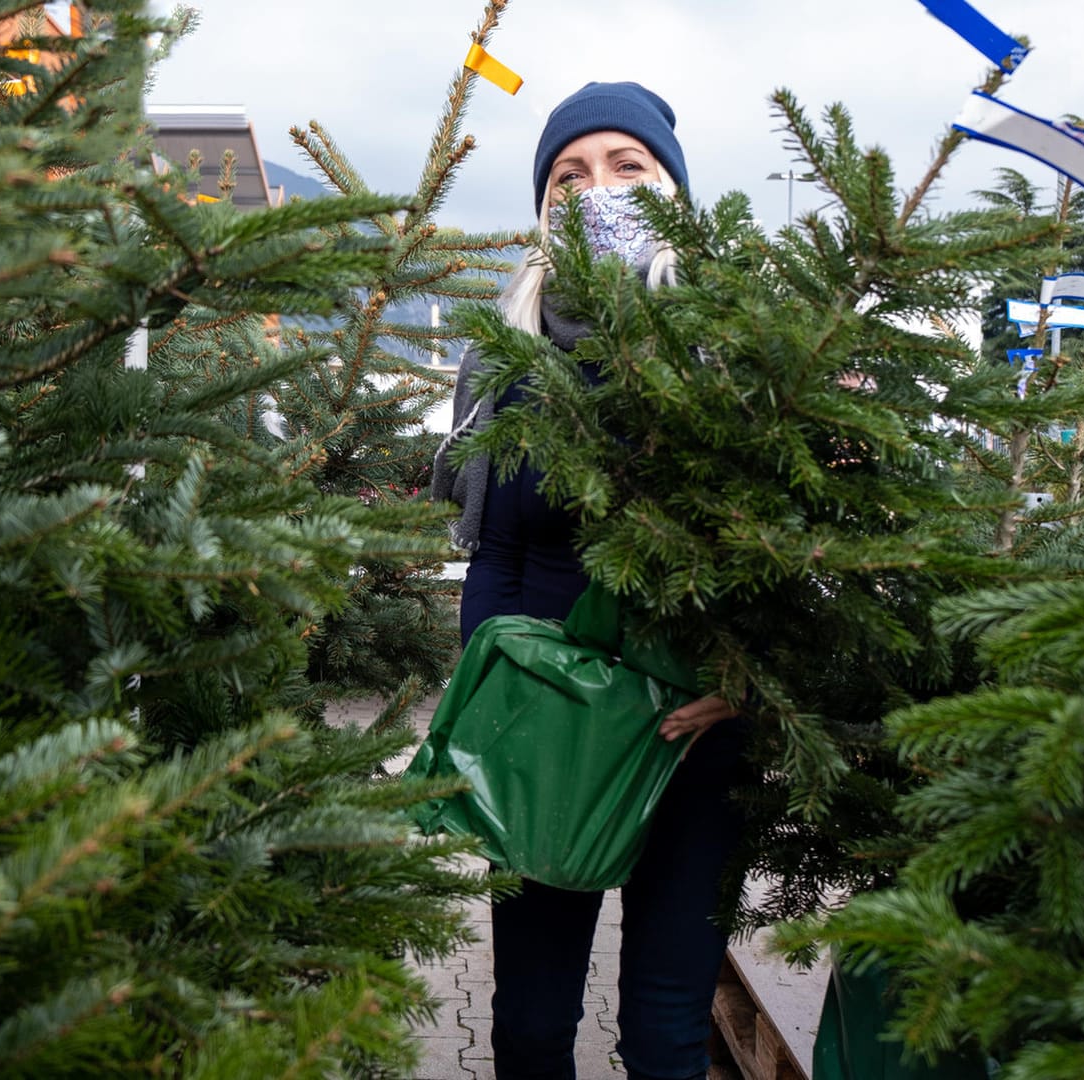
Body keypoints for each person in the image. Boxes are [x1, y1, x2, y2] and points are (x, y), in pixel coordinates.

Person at [430, 81, 749, 1080]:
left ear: (672, 191)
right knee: (528, 1020)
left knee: (664, 1020)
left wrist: (746, 675)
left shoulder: (724, 337)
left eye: (625, 167)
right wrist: (495, 697)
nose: (594, 188)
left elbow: (780, 544)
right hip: (550, 733)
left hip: (690, 731)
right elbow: (495, 551)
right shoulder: (507, 351)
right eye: (568, 174)